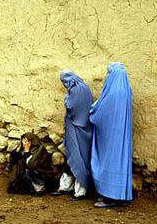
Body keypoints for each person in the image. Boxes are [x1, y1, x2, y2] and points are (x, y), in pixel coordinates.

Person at [89, 62, 133, 207]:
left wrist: (92, 112)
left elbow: (101, 112)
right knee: (119, 162)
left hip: (110, 136)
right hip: (120, 135)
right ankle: (118, 194)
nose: (107, 76)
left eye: (108, 73)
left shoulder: (113, 92)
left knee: (109, 161)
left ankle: (109, 196)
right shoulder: (126, 90)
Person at [51, 69, 94, 201]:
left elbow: (71, 106)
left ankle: (80, 190)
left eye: (64, 81)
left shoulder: (76, 90)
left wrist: (66, 97)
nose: (64, 84)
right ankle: (65, 186)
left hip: (78, 129)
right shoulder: (83, 88)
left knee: (79, 157)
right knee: (71, 156)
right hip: (77, 128)